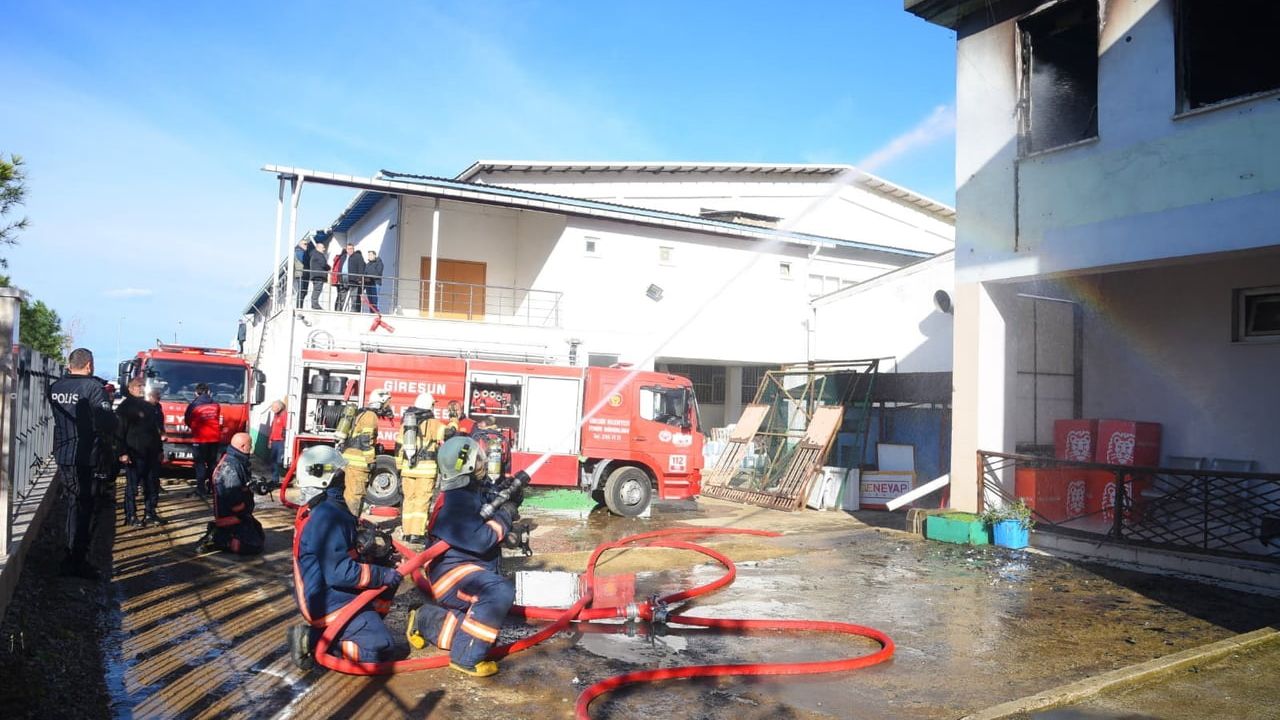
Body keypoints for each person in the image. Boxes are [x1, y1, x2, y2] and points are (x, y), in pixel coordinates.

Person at [405, 435, 524, 677]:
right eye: (478, 459)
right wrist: (506, 515)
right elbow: (481, 540)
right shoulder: (455, 502)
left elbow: (489, 505)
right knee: (497, 592)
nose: (483, 462)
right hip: (452, 574)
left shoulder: (468, 490)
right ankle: (464, 659)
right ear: (467, 466)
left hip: (468, 568)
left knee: (476, 631)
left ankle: (423, 617)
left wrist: (509, 497)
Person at [288, 445, 403, 669]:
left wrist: (379, 558)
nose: (344, 479)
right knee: (380, 649)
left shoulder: (325, 508)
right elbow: (339, 572)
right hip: (327, 600)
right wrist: (381, 574)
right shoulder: (327, 516)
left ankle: (362, 624)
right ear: (327, 478)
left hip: (333, 592)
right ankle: (312, 639)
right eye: (340, 475)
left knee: (388, 580)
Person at [49, 348, 113, 580]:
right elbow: (108, 423)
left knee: (74, 504)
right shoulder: (93, 388)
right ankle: (76, 559)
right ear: (89, 365)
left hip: (64, 453)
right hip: (87, 456)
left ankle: (72, 555)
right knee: (86, 507)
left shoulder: (55, 387)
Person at [195, 432, 265, 555]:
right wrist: (244, 512)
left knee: (258, 533)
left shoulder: (237, 461)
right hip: (231, 515)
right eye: (250, 445)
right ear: (243, 446)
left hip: (238, 514)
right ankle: (219, 538)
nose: (251, 448)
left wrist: (256, 486)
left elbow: (244, 484)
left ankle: (222, 533)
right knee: (252, 545)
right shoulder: (230, 467)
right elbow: (234, 499)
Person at [396, 393, 449, 545]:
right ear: (429, 406)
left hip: (407, 469)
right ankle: (417, 534)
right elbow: (448, 434)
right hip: (425, 471)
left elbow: (398, 447)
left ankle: (407, 533)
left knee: (409, 501)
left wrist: (400, 467)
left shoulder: (405, 423)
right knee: (422, 501)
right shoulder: (432, 423)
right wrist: (454, 422)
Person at [116, 377, 164, 527]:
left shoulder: (149, 407)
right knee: (132, 487)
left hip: (151, 452)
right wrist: (122, 452)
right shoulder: (124, 408)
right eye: (138, 386)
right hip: (134, 453)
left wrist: (160, 450)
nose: (141, 388)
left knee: (151, 485)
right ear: (130, 388)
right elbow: (119, 432)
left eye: (143, 386)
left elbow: (155, 432)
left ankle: (150, 513)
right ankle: (130, 515)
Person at [338, 388, 394, 516]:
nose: (387, 406)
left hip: (350, 459)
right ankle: (350, 523)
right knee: (355, 495)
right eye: (386, 403)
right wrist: (371, 460)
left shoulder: (363, 413)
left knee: (349, 493)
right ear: (381, 401)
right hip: (358, 463)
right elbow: (365, 440)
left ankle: (347, 522)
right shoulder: (371, 416)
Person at [184, 382, 222, 497]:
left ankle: (201, 489)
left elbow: (187, 420)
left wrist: (195, 429)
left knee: (200, 465)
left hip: (200, 440)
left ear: (196, 393)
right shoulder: (216, 405)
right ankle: (212, 487)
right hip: (214, 439)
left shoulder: (193, 405)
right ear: (208, 392)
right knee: (212, 464)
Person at [336, 242, 365, 312]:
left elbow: (361, 267)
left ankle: (353, 311)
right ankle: (339, 310)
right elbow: (340, 268)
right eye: (348, 249)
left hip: (353, 280)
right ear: (346, 249)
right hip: (343, 280)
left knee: (354, 297)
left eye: (351, 249)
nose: (350, 250)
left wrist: (359, 278)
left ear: (353, 249)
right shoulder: (343, 257)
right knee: (342, 296)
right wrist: (339, 277)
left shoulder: (358, 256)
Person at [269, 399, 288, 488]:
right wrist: (270, 440)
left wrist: (285, 441)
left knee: (280, 461)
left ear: (279, 407)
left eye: (273, 407)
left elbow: (286, 428)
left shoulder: (284, 415)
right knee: (273, 461)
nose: (272, 409)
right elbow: (272, 429)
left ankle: (287, 478)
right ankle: (274, 480)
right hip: (274, 441)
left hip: (281, 442)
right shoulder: (276, 415)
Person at [307, 240, 329, 310]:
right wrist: (329, 267)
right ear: (318, 248)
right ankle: (315, 304)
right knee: (317, 290)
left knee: (316, 290)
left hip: (316, 275)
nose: (324, 249)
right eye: (323, 247)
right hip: (319, 275)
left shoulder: (314, 254)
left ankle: (314, 304)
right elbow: (323, 264)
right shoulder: (318, 254)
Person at [293, 238, 312, 308]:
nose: (306, 245)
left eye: (307, 244)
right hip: (301, 274)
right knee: (301, 291)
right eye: (305, 244)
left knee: (304, 291)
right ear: (300, 244)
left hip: (305, 273)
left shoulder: (303, 252)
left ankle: (300, 306)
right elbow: (303, 260)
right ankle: (299, 307)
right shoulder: (299, 251)